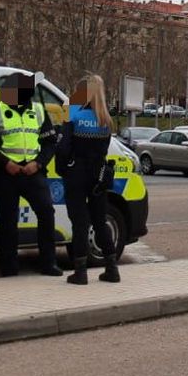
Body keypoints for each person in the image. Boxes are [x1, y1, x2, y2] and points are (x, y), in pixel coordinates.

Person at [0, 72, 62, 277]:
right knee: (8, 221)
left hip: (32, 172)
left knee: (47, 213)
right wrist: (5, 163)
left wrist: (38, 164)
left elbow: (50, 143)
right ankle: (9, 267)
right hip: (6, 173)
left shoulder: (39, 111)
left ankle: (48, 263)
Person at [58, 74, 122, 285]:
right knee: (99, 221)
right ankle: (112, 269)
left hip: (76, 173)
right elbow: (103, 151)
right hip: (98, 176)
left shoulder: (73, 113)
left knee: (79, 223)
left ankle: (80, 272)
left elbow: (64, 147)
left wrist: (64, 169)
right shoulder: (105, 119)